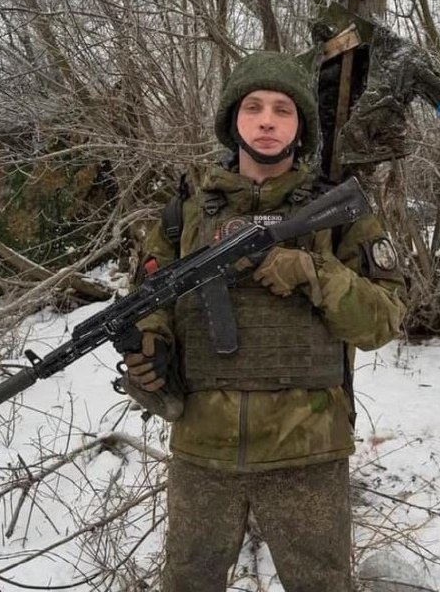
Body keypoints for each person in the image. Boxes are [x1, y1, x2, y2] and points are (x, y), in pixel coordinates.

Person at [116, 49, 406, 592]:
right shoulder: (183, 213)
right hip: (203, 449)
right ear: (233, 120)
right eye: (253, 107)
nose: (267, 121)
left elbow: (384, 320)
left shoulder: (336, 212)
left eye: (282, 109)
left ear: (301, 125)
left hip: (308, 450)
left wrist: (314, 272)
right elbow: (149, 300)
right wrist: (150, 345)